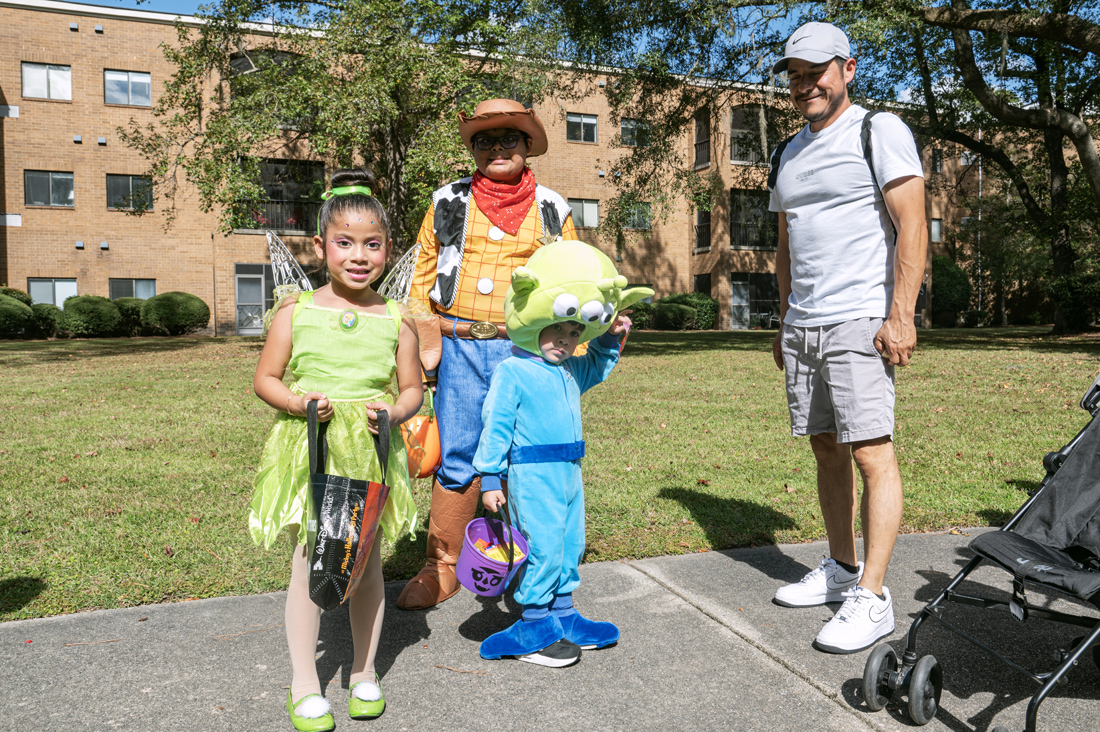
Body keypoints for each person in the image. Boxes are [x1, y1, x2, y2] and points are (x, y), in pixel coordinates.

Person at [767, 22, 928, 654]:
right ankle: (838, 568)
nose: (806, 84)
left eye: (817, 72)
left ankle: (874, 595)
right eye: (796, 75)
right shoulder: (788, 151)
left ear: (847, 70)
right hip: (804, 322)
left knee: (870, 452)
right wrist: (783, 319)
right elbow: (785, 245)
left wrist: (902, 313)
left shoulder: (877, 129)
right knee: (826, 447)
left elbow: (911, 223)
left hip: (861, 315)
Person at [249, 170, 422, 730]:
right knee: (310, 561)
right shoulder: (295, 310)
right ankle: (304, 681)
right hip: (315, 447)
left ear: (387, 250)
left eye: (372, 244)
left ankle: (364, 671)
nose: (358, 255)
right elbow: (266, 379)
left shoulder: (397, 320)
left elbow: (412, 389)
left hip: (369, 448)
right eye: (344, 242)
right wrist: (300, 403)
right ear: (321, 246)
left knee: (366, 561)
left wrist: (395, 413)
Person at [397, 99, 578, 611]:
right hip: (459, 349)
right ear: (472, 149)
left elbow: (570, 275)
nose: (497, 148)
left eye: (509, 140)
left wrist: (573, 344)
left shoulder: (552, 206)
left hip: (527, 352)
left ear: (526, 147)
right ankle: (443, 565)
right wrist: (425, 340)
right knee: (457, 454)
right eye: (484, 141)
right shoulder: (447, 201)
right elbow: (422, 278)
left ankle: (530, 565)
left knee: (527, 455)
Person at [473, 239, 652, 666]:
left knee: (570, 543)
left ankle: (564, 615)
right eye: (558, 329)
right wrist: (491, 477)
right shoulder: (513, 371)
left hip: (570, 471)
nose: (566, 340)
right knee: (543, 545)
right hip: (532, 475)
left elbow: (595, 368)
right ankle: (534, 623)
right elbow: (495, 427)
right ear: (533, 323)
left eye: (575, 333)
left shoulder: (569, 369)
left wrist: (608, 339)